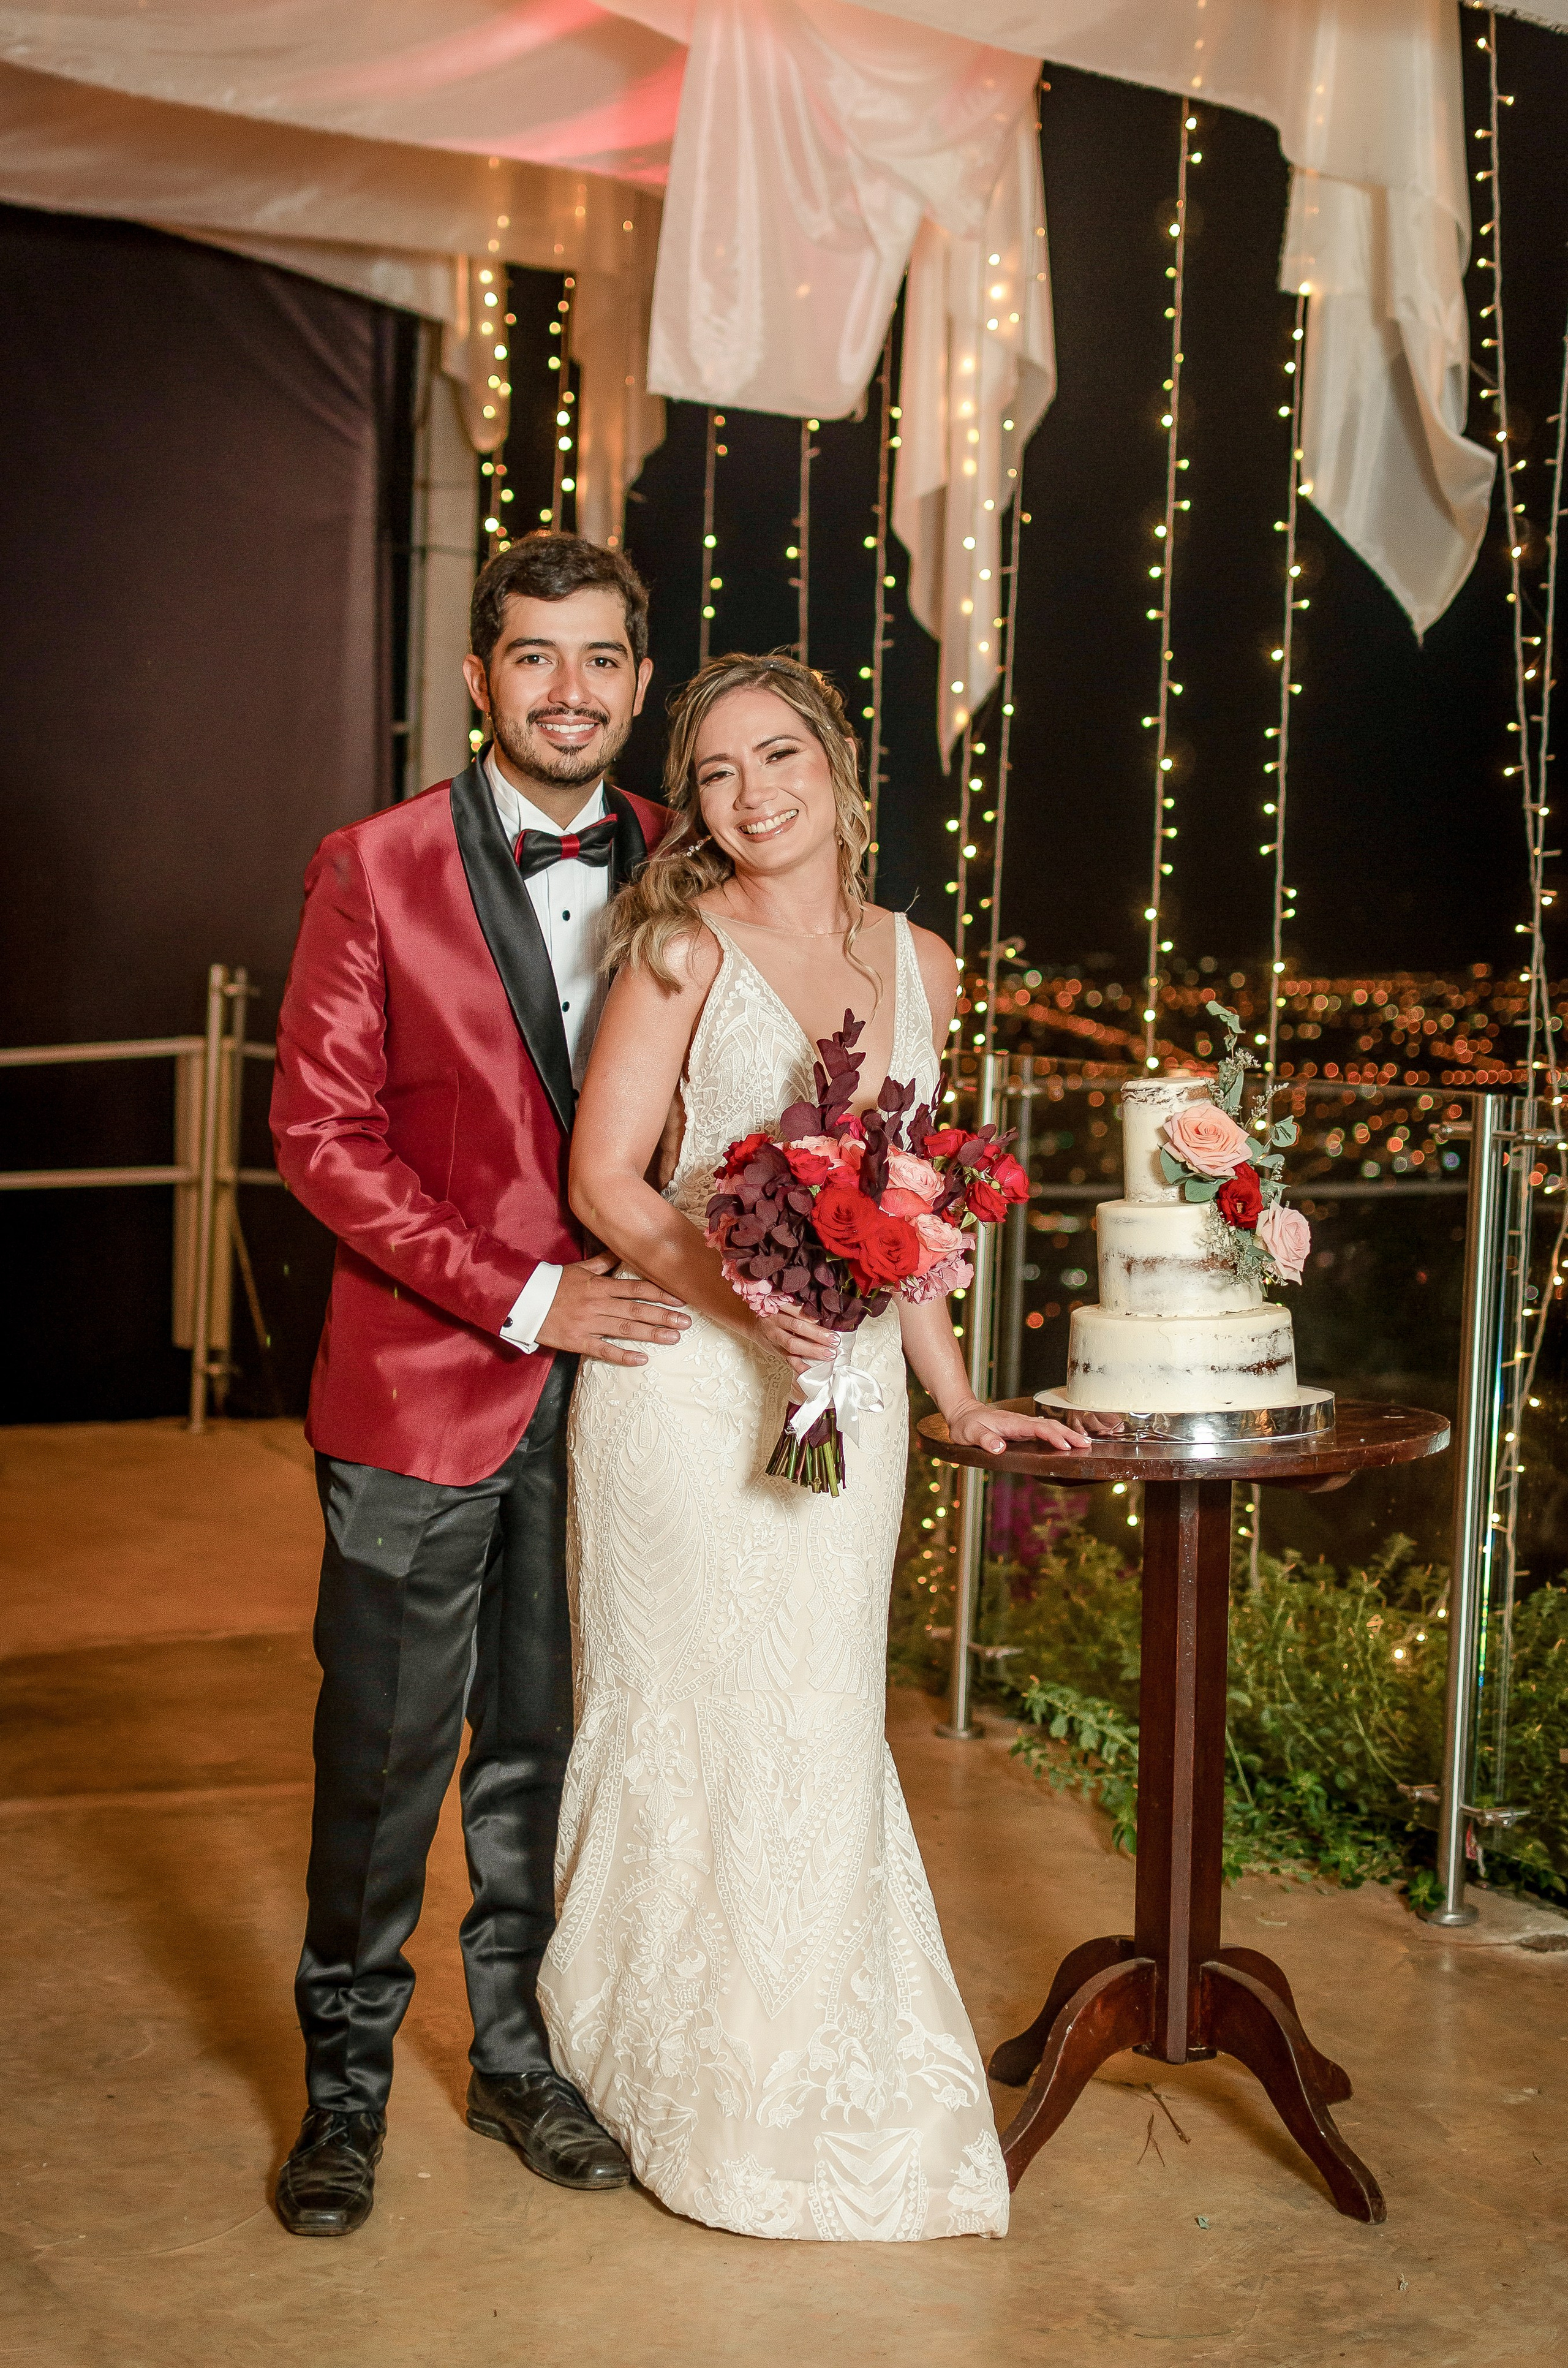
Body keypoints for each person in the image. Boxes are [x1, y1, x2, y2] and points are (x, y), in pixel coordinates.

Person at [539, 652, 1091, 2241]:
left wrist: (961, 1387)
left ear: (841, 768)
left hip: (853, 1397)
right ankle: (678, 2067)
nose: (748, 792)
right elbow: (607, 1183)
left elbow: (907, 1211)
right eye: (713, 772)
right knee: (695, 1718)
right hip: (686, 1394)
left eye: (775, 756)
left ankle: (820, 2060)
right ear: (694, 804)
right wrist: (747, 1295)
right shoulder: (672, 942)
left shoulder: (926, 958)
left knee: (817, 1731)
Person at [267, 534, 683, 2237]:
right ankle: (345, 2095)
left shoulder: (682, 851)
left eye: (600, 661)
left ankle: (516, 2061)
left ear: (641, 687)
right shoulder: (370, 865)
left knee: (542, 1748)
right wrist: (523, 1296)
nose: (569, 690)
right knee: (383, 1764)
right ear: (476, 677)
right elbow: (321, 1137)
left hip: (630, 1404)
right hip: (422, 1391)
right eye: (535, 658)